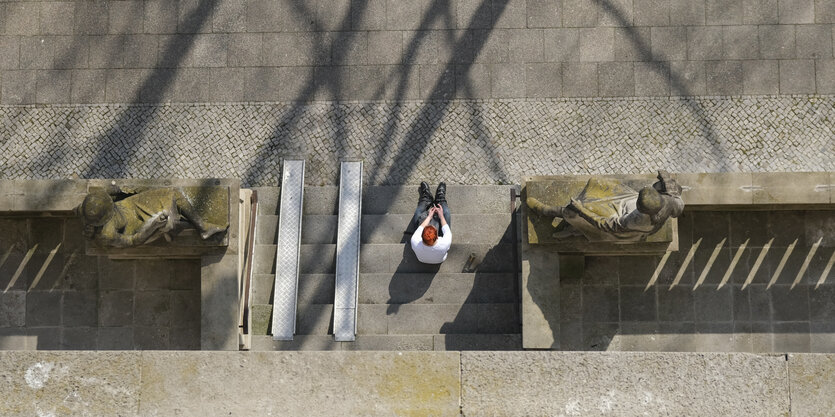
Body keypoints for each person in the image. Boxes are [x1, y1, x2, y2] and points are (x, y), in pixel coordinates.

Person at [527, 170, 684, 242]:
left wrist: (581, 210)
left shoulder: (635, 220)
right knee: (599, 184)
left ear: (642, 210)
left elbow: (604, 224)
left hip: (619, 220)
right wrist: (665, 181)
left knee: (576, 211)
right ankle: (575, 222)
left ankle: (551, 213)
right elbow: (675, 196)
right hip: (625, 202)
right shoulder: (670, 198)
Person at [79, 187, 227, 248]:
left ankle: (202, 227)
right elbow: (133, 241)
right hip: (137, 225)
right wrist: (154, 225)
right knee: (168, 217)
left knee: (171, 193)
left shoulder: (91, 203)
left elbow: (113, 192)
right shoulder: (107, 234)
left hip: (132, 205)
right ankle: (201, 228)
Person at [410, 182, 451, 264]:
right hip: (439, 260)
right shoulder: (445, 243)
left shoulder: (415, 241)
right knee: (446, 212)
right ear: (437, 237)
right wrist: (441, 215)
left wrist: (429, 217)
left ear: (421, 237)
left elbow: (420, 228)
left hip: (422, 260)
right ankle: (440, 200)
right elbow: (446, 230)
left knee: (418, 213)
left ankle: (426, 199)